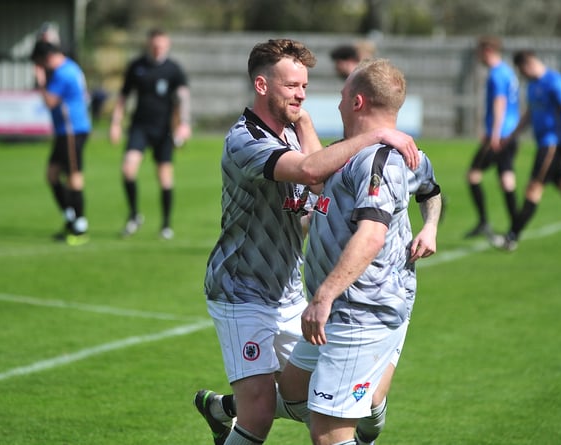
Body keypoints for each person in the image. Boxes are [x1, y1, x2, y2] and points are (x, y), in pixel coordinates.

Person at [194, 39, 419, 445]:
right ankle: (236, 411)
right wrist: (379, 133)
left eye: (304, 87)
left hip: (289, 290)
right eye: (290, 86)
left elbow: (322, 183)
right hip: (241, 289)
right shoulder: (245, 139)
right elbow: (311, 169)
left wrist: (306, 124)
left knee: (317, 399)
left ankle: (220, 408)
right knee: (261, 412)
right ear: (262, 86)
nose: (300, 94)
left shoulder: (295, 131)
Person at [278, 58, 433, 445]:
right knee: (293, 392)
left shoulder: (380, 162)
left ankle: (364, 404)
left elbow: (371, 236)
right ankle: (369, 403)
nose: (339, 102)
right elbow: (432, 190)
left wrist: (324, 296)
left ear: (358, 102)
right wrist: (430, 225)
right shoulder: (361, 152)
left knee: (329, 434)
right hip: (349, 310)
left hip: (358, 312)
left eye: (344, 95)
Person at [492, 50, 561, 254]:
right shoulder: (533, 86)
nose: (522, 75)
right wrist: (511, 136)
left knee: (533, 190)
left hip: (552, 146)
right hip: (546, 145)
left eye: (521, 70)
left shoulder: (555, 82)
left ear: (527, 65)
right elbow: (529, 114)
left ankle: (511, 237)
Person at [109, 28, 191, 240]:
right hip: (139, 127)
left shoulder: (173, 70)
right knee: (128, 170)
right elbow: (123, 97)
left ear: (167, 45)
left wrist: (184, 124)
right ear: (149, 44)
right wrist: (116, 123)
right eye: (154, 45)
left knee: (164, 178)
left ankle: (165, 225)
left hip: (163, 130)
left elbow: (183, 98)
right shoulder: (137, 66)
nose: (157, 49)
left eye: (161, 46)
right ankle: (134, 215)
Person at [31, 40, 92, 246]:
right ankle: (70, 218)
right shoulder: (70, 67)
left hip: (71, 130)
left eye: (40, 63)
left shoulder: (62, 73)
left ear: (46, 59)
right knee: (52, 175)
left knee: (73, 175)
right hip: (64, 131)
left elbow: (50, 102)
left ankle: (80, 226)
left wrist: (40, 82)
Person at [464, 35, 520, 239]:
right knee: (506, 179)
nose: (477, 56)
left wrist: (493, 134)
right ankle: (516, 226)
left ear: (487, 50)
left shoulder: (496, 74)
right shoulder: (508, 72)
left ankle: (484, 222)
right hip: (511, 134)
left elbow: (500, 103)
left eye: (479, 51)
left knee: (473, 175)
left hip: (499, 135)